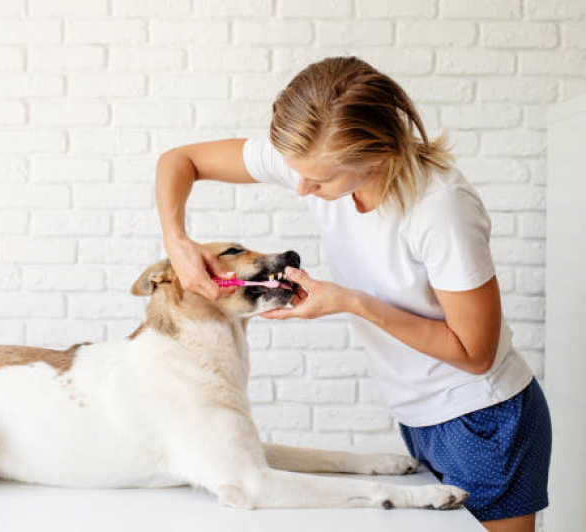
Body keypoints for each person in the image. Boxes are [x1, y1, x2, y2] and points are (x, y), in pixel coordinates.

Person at [154, 56, 551, 532]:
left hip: (482, 419)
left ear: (377, 153)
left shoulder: (441, 210)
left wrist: (349, 301)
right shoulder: (316, 162)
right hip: (417, 417)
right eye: (296, 171)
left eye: (320, 179)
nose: (302, 187)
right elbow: (180, 161)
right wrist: (176, 241)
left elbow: (476, 354)